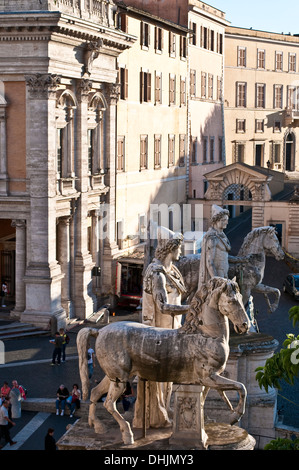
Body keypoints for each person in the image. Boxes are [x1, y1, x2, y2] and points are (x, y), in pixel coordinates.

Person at [133, 226, 189, 429]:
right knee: (162, 379)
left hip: (173, 333)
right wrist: (191, 309)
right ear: (170, 249)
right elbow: (163, 306)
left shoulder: (171, 271)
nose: (181, 252)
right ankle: (156, 414)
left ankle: (164, 409)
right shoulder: (157, 274)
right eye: (179, 248)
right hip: (159, 335)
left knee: (170, 379)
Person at [198, 205, 246, 287]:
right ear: (216, 221)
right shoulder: (212, 238)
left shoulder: (222, 236)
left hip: (224, 274)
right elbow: (210, 262)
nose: (227, 222)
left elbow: (224, 256)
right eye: (223, 220)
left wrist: (240, 260)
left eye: (227, 220)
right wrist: (216, 280)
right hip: (218, 277)